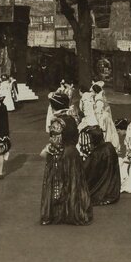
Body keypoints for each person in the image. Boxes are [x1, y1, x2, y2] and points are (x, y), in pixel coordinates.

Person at [40, 94, 93, 225]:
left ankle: (58, 213)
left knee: (58, 183)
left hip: (61, 154)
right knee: (73, 183)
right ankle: (73, 211)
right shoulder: (72, 119)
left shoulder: (57, 122)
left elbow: (56, 143)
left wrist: (46, 151)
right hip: (73, 153)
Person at [79, 125, 121, 206]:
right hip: (113, 189)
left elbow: (87, 172)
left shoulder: (96, 154)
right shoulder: (109, 146)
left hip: (101, 190)